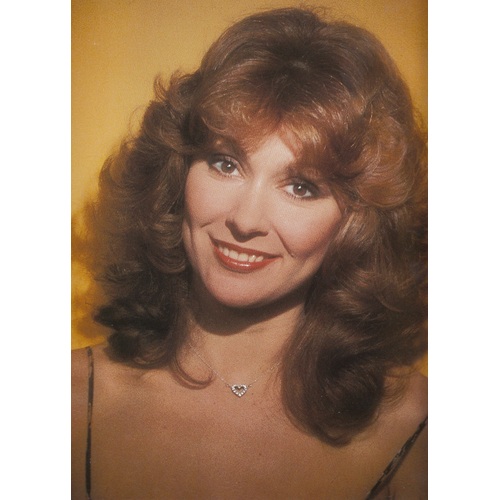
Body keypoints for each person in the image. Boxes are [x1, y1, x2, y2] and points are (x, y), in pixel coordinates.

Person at [72, 7, 427, 499]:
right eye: (225, 163)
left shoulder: (419, 430)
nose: (245, 219)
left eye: (302, 186)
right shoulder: (65, 403)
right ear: (178, 174)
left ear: (357, 223)